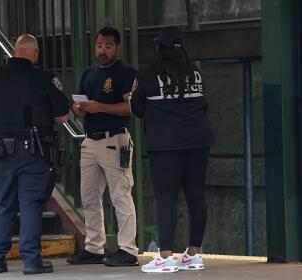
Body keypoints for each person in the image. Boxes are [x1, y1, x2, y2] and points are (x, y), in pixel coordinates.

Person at [0, 34, 69, 275]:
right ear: (35, 53)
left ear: (15, 51)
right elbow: (62, 116)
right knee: (30, 205)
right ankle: (31, 261)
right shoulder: (45, 78)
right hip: (33, 152)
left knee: (2, 205)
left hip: (1, 153)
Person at [130, 26, 214, 273]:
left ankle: (166, 256)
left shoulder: (149, 74)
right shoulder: (195, 73)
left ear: (160, 48)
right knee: (196, 196)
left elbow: (136, 108)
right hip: (199, 141)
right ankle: (193, 254)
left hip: (166, 145)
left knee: (167, 197)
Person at [66, 27, 138, 267]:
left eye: (107, 46)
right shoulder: (89, 73)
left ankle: (128, 249)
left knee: (120, 195)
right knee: (89, 196)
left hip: (114, 139)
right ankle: (94, 247)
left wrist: (100, 107)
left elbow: (131, 108)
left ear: (117, 46)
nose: (102, 51)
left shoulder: (127, 73)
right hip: (90, 139)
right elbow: (77, 102)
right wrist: (78, 109)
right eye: (99, 46)